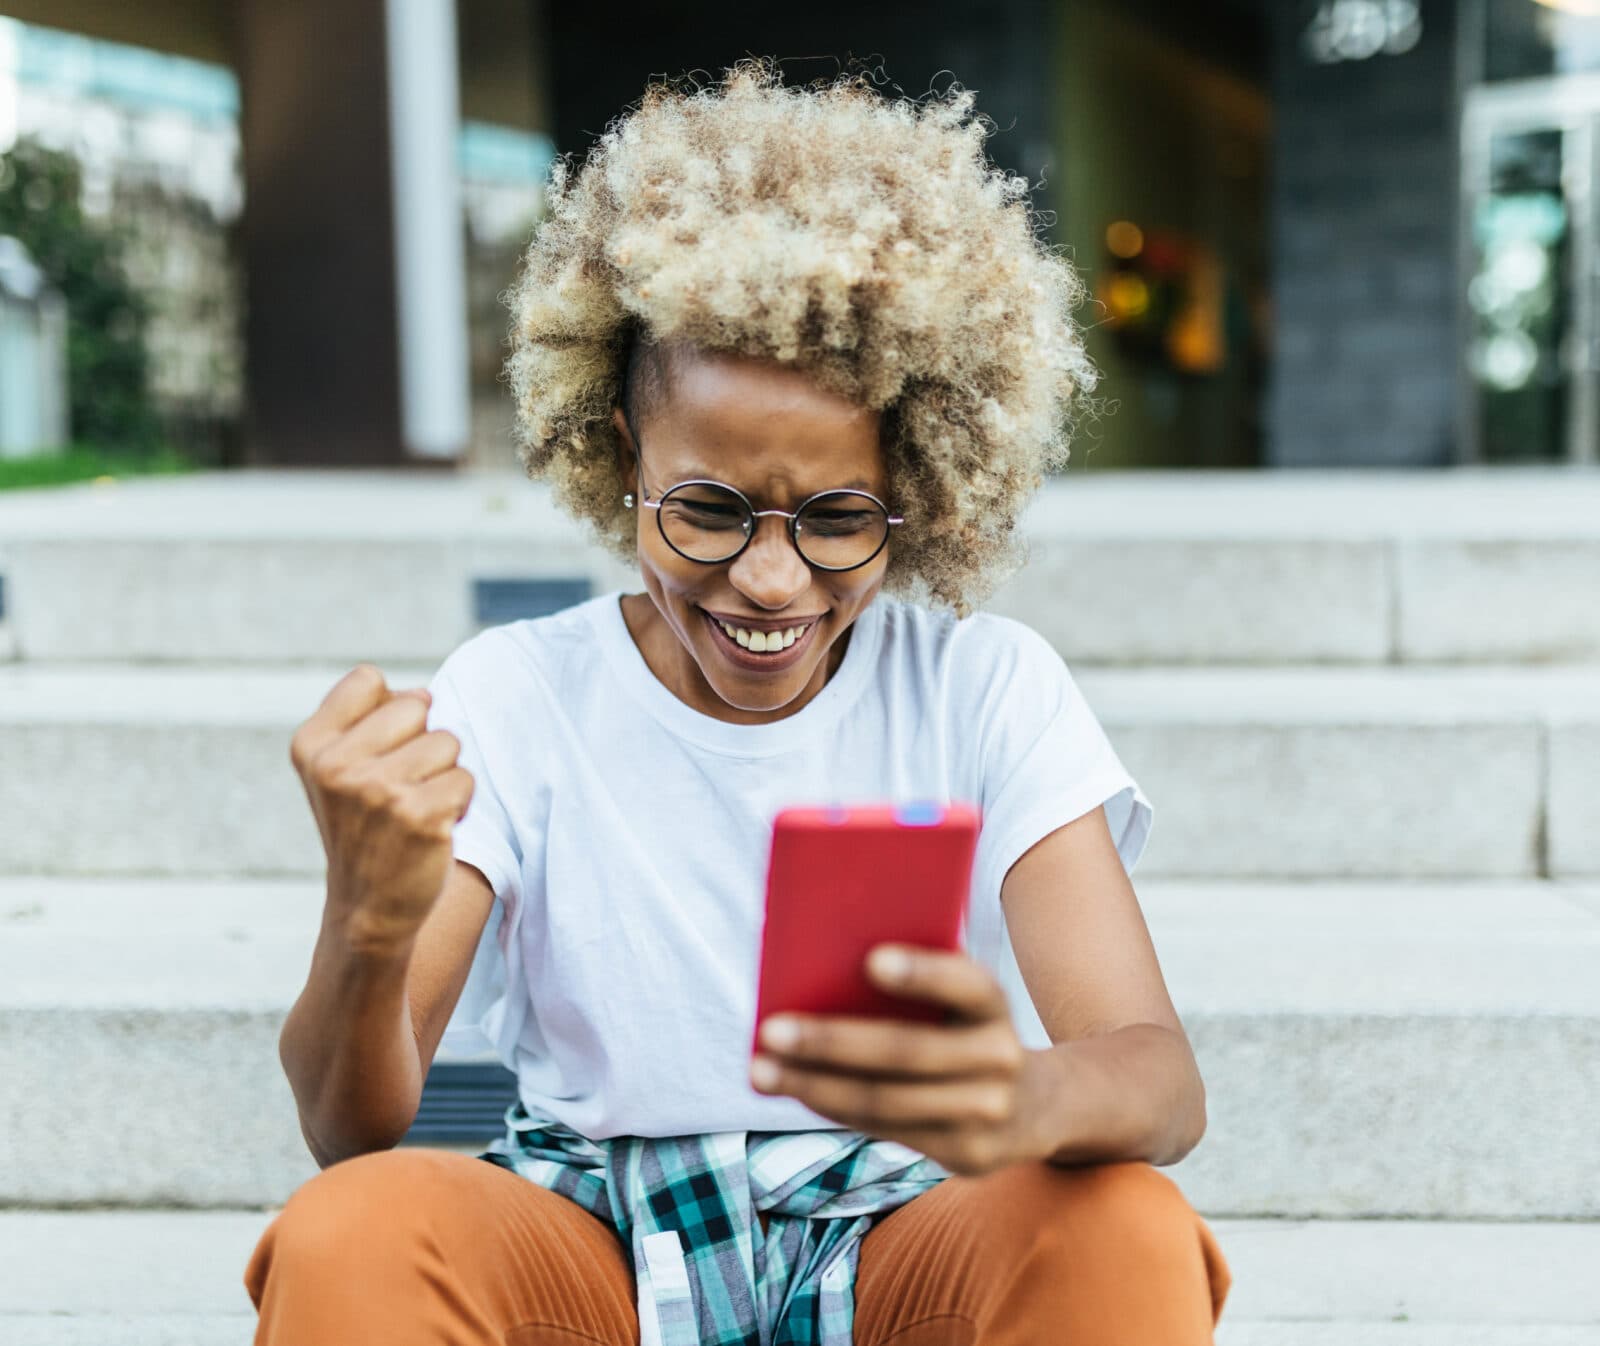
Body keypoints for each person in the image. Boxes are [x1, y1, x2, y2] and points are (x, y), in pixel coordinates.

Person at [244, 59, 1233, 1345]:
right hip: (595, 1228)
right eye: (706, 508)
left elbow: (1158, 1078)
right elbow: (351, 1129)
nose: (770, 580)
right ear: (618, 449)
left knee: (1128, 1228)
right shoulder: (519, 692)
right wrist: (367, 921)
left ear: (917, 483)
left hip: (899, 1230)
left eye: (836, 519)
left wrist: (1024, 1095)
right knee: (353, 1234)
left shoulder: (984, 687)